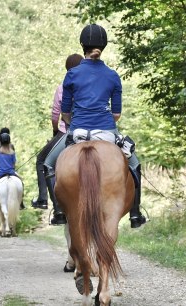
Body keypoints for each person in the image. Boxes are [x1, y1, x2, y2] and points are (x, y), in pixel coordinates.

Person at [44, 24, 146, 228]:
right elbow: (116, 114)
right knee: (134, 165)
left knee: (48, 164)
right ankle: (135, 213)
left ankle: (59, 211)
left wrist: (75, 123)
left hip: (78, 130)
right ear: (103, 46)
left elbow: (65, 113)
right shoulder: (112, 75)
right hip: (107, 131)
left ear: (83, 45)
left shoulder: (72, 74)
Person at [31, 54, 84, 226]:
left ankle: (50, 204)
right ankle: (134, 210)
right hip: (95, 129)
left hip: (68, 131)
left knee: (43, 162)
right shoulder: (89, 85)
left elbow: (56, 114)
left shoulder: (63, 86)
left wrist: (56, 130)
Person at [0, 133, 22, 212]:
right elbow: (13, 165)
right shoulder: (12, 152)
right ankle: (21, 203)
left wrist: (0, 168)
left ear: (0, 142)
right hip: (11, 173)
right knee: (21, 183)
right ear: (9, 142)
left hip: (0, 174)